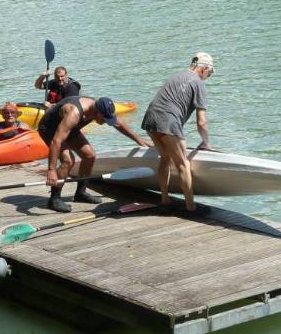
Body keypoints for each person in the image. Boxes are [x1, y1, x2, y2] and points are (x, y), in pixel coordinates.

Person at [38, 96, 151, 212]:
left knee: (90, 156)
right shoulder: (74, 113)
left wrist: (139, 140)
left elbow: (118, 123)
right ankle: (54, 199)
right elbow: (56, 141)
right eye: (104, 120)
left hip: (70, 128)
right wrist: (51, 170)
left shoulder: (100, 108)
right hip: (49, 129)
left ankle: (80, 193)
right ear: (97, 113)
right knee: (68, 161)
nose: (105, 123)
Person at [141, 52, 214, 215]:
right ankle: (190, 208)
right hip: (168, 122)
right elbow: (201, 122)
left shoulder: (177, 75)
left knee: (165, 158)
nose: (208, 77)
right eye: (209, 73)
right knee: (183, 165)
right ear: (203, 69)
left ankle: (165, 201)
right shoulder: (199, 83)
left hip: (150, 118)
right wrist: (206, 142)